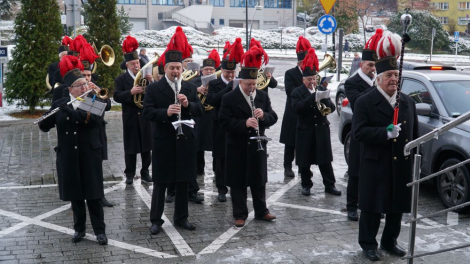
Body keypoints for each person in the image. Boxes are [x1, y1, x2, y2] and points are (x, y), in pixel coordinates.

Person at [354, 31, 418, 261]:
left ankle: (390, 241)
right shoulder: (365, 101)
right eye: (389, 75)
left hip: (400, 163)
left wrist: (415, 161)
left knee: (396, 207)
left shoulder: (407, 102)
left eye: (397, 75)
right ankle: (368, 244)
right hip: (376, 163)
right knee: (371, 208)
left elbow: (415, 136)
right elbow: (358, 133)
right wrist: (384, 132)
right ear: (379, 77)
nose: (394, 79)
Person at [38, 56, 108, 245]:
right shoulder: (61, 103)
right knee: (76, 195)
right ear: (70, 89)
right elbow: (45, 127)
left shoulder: (94, 98)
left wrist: (68, 111)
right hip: (69, 155)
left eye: (85, 84)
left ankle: (100, 231)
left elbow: (92, 121)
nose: (85, 88)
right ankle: (79, 229)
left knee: (94, 195)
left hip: (89, 154)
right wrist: (46, 116)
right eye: (80, 85)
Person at [142, 27, 204, 235]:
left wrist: (188, 106)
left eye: (178, 67)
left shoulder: (188, 87)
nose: (176, 71)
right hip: (163, 141)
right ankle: (156, 220)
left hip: (185, 140)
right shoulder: (153, 88)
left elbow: (200, 109)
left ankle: (181, 218)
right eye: (172, 68)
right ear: (165, 69)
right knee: (160, 182)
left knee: (183, 180)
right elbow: (147, 113)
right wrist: (165, 112)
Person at [219, 46, 278, 228]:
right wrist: (244, 124)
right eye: (248, 84)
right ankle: (240, 214)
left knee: (258, 179)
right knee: (238, 181)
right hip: (237, 145)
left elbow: (273, 117)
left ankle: (262, 210)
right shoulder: (229, 98)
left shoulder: (261, 96)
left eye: (254, 84)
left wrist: (264, 117)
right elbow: (223, 121)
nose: (252, 88)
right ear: (241, 82)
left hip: (257, 146)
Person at [291, 48, 341, 197]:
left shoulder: (320, 89)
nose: (312, 82)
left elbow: (331, 108)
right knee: (304, 160)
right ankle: (306, 185)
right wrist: (312, 98)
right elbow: (297, 108)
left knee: (325, 159)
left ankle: (330, 185)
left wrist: (324, 97)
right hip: (305, 130)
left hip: (321, 129)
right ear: (303, 80)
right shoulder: (297, 92)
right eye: (309, 79)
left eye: (314, 79)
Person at [344, 29, 381, 222]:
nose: (373, 69)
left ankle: (373, 205)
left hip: (376, 133)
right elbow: (358, 102)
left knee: (374, 174)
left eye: (375, 65)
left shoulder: (378, 81)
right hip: (360, 133)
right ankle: (352, 206)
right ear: (361, 64)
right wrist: (377, 91)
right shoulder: (352, 82)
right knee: (356, 173)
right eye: (370, 65)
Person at [205, 38, 243, 202]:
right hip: (219, 125)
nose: (230, 75)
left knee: (235, 155)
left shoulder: (239, 82)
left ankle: (234, 183)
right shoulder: (214, 83)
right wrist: (227, 88)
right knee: (220, 157)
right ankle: (221, 188)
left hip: (235, 124)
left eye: (232, 73)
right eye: (227, 73)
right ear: (222, 71)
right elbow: (211, 101)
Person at [114, 35, 153, 185]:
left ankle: (145, 172)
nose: (136, 66)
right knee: (130, 147)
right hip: (130, 116)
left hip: (144, 116)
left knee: (146, 147)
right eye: (133, 64)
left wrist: (151, 82)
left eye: (137, 63)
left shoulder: (145, 76)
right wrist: (130, 93)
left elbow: (155, 93)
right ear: (127, 65)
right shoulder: (121, 79)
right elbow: (116, 96)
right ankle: (129, 173)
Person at [79, 42, 115, 208]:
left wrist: (97, 92)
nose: (87, 78)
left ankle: (100, 196)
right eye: (84, 75)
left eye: (89, 75)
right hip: (82, 134)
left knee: (97, 167)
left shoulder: (95, 89)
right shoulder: (76, 91)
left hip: (98, 133)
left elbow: (107, 105)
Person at [279, 36, 311, 178]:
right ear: (300, 62)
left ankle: (303, 166)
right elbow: (290, 91)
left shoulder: (311, 72)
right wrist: (305, 85)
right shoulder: (290, 73)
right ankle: (287, 166)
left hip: (306, 111)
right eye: (305, 62)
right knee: (290, 142)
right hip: (293, 111)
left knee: (304, 142)